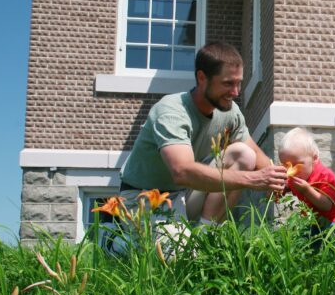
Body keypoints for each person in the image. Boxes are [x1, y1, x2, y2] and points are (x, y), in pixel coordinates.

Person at [117, 42, 287, 227]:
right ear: (202, 77)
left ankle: (205, 236)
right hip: (144, 198)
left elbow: (255, 153)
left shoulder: (230, 112)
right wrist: (255, 179)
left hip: (187, 194)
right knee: (174, 257)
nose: (235, 92)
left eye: (239, 83)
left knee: (244, 154)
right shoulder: (171, 111)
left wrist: (280, 181)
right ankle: (117, 244)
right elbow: (182, 171)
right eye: (228, 83)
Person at [277, 127, 335, 248]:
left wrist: (307, 190)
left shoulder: (325, 176)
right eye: (286, 165)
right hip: (316, 220)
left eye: (296, 164)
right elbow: (285, 187)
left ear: (314, 158)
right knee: (306, 241)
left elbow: (326, 206)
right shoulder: (296, 177)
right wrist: (281, 189)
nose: (290, 171)